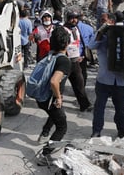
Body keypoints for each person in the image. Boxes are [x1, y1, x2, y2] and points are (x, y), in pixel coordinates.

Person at [88, 13, 124, 138]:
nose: (102, 23)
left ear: (112, 21)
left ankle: (122, 131)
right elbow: (91, 46)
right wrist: (101, 32)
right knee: (99, 107)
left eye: (104, 20)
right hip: (104, 79)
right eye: (101, 21)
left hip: (121, 80)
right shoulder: (101, 36)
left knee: (121, 109)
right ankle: (96, 131)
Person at [35, 26, 71, 166]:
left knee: (53, 115)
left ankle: (44, 134)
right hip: (51, 99)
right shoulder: (64, 60)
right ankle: (44, 155)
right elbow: (54, 81)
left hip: (42, 98)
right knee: (62, 127)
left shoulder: (49, 55)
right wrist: (58, 98)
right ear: (67, 43)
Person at [64, 11, 93, 112]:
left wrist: (80, 56)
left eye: (76, 18)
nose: (74, 20)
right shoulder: (63, 30)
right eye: (72, 18)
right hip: (65, 62)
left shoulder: (76, 29)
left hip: (75, 61)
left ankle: (84, 104)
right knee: (59, 85)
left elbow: (78, 44)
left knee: (79, 83)